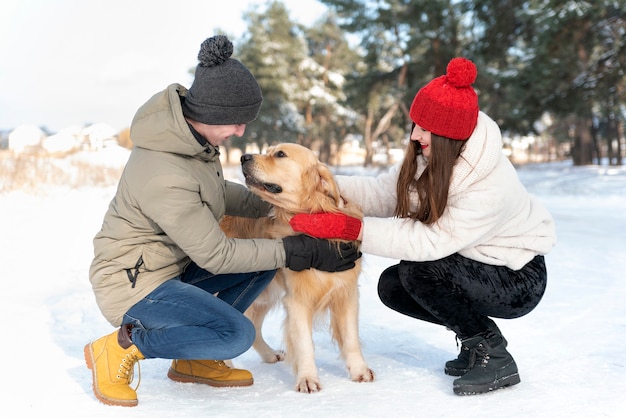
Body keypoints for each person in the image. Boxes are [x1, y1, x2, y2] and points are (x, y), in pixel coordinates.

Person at [84, 35, 360, 407]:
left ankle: (193, 360)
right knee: (236, 334)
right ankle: (123, 345)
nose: (242, 132)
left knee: (260, 267)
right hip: (134, 286)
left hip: (169, 270)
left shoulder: (194, 145)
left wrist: (293, 210)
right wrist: (295, 250)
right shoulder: (164, 171)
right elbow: (218, 256)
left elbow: (221, 195)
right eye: (238, 121)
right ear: (213, 113)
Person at [289, 57, 556, 395]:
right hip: (475, 261)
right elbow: (383, 194)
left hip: (516, 277)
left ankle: (493, 355)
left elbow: (431, 242)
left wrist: (349, 229)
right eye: (415, 124)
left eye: (424, 128)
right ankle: (477, 340)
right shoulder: (428, 158)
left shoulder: (490, 185)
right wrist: (322, 181)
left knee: (418, 273)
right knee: (393, 286)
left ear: (449, 134)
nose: (415, 135)